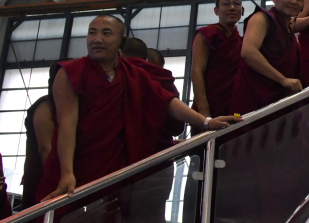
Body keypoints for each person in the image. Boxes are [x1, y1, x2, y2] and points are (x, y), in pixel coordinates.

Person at [37, 15, 238, 201]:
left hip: (115, 168)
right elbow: (67, 124)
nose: (97, 39)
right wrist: (67, 173)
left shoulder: (132, 73)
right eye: (92, 33)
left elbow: (167, 101)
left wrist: (206, 121)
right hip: (74, 166)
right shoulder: (71, 72)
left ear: (121, 41)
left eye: (106, 33)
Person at [230, 0, 304, 115]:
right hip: (254, 99)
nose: (294, 1)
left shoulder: (288, 30)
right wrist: (283, 80)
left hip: (279, 101)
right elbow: (248, 52)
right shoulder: (262, 18)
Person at [121, 37, 184, 146]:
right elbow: (177, 127)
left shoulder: (118, 74)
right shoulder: (163, 80)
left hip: (122, 146)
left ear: (121, 55)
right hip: (159, 149)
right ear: (145, 61)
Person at [191, 0, 243, 119]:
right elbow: (197, 71)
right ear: (216, 11)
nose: (232, 8)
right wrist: (204, 111)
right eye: (226, 4)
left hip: (235, 105)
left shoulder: (242, 41)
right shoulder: (207, 34)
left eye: (237, 4)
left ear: (242, 10)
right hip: (211, 104)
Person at [21, 62, 62, 209]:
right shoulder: (45, 105)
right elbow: (45, 149)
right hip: (43, 179)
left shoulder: (64, 106)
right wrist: (55, 182)